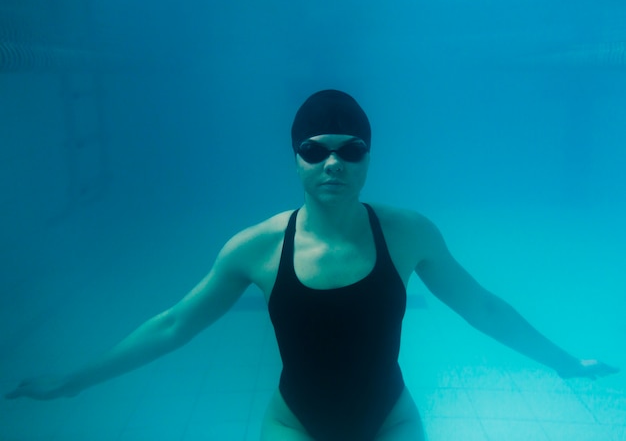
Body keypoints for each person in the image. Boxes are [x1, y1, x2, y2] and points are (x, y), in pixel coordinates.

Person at [6, 89, 619, 441]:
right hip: (294, 422)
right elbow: (173, 324)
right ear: (295, 158)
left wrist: (564, 363)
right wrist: (75, 380)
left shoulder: (408, 233)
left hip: (391, 419)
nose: (334, 164)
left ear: (368, 157)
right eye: (315, 151)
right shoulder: (254, 248)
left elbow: (482, 306)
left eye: (350, 150)